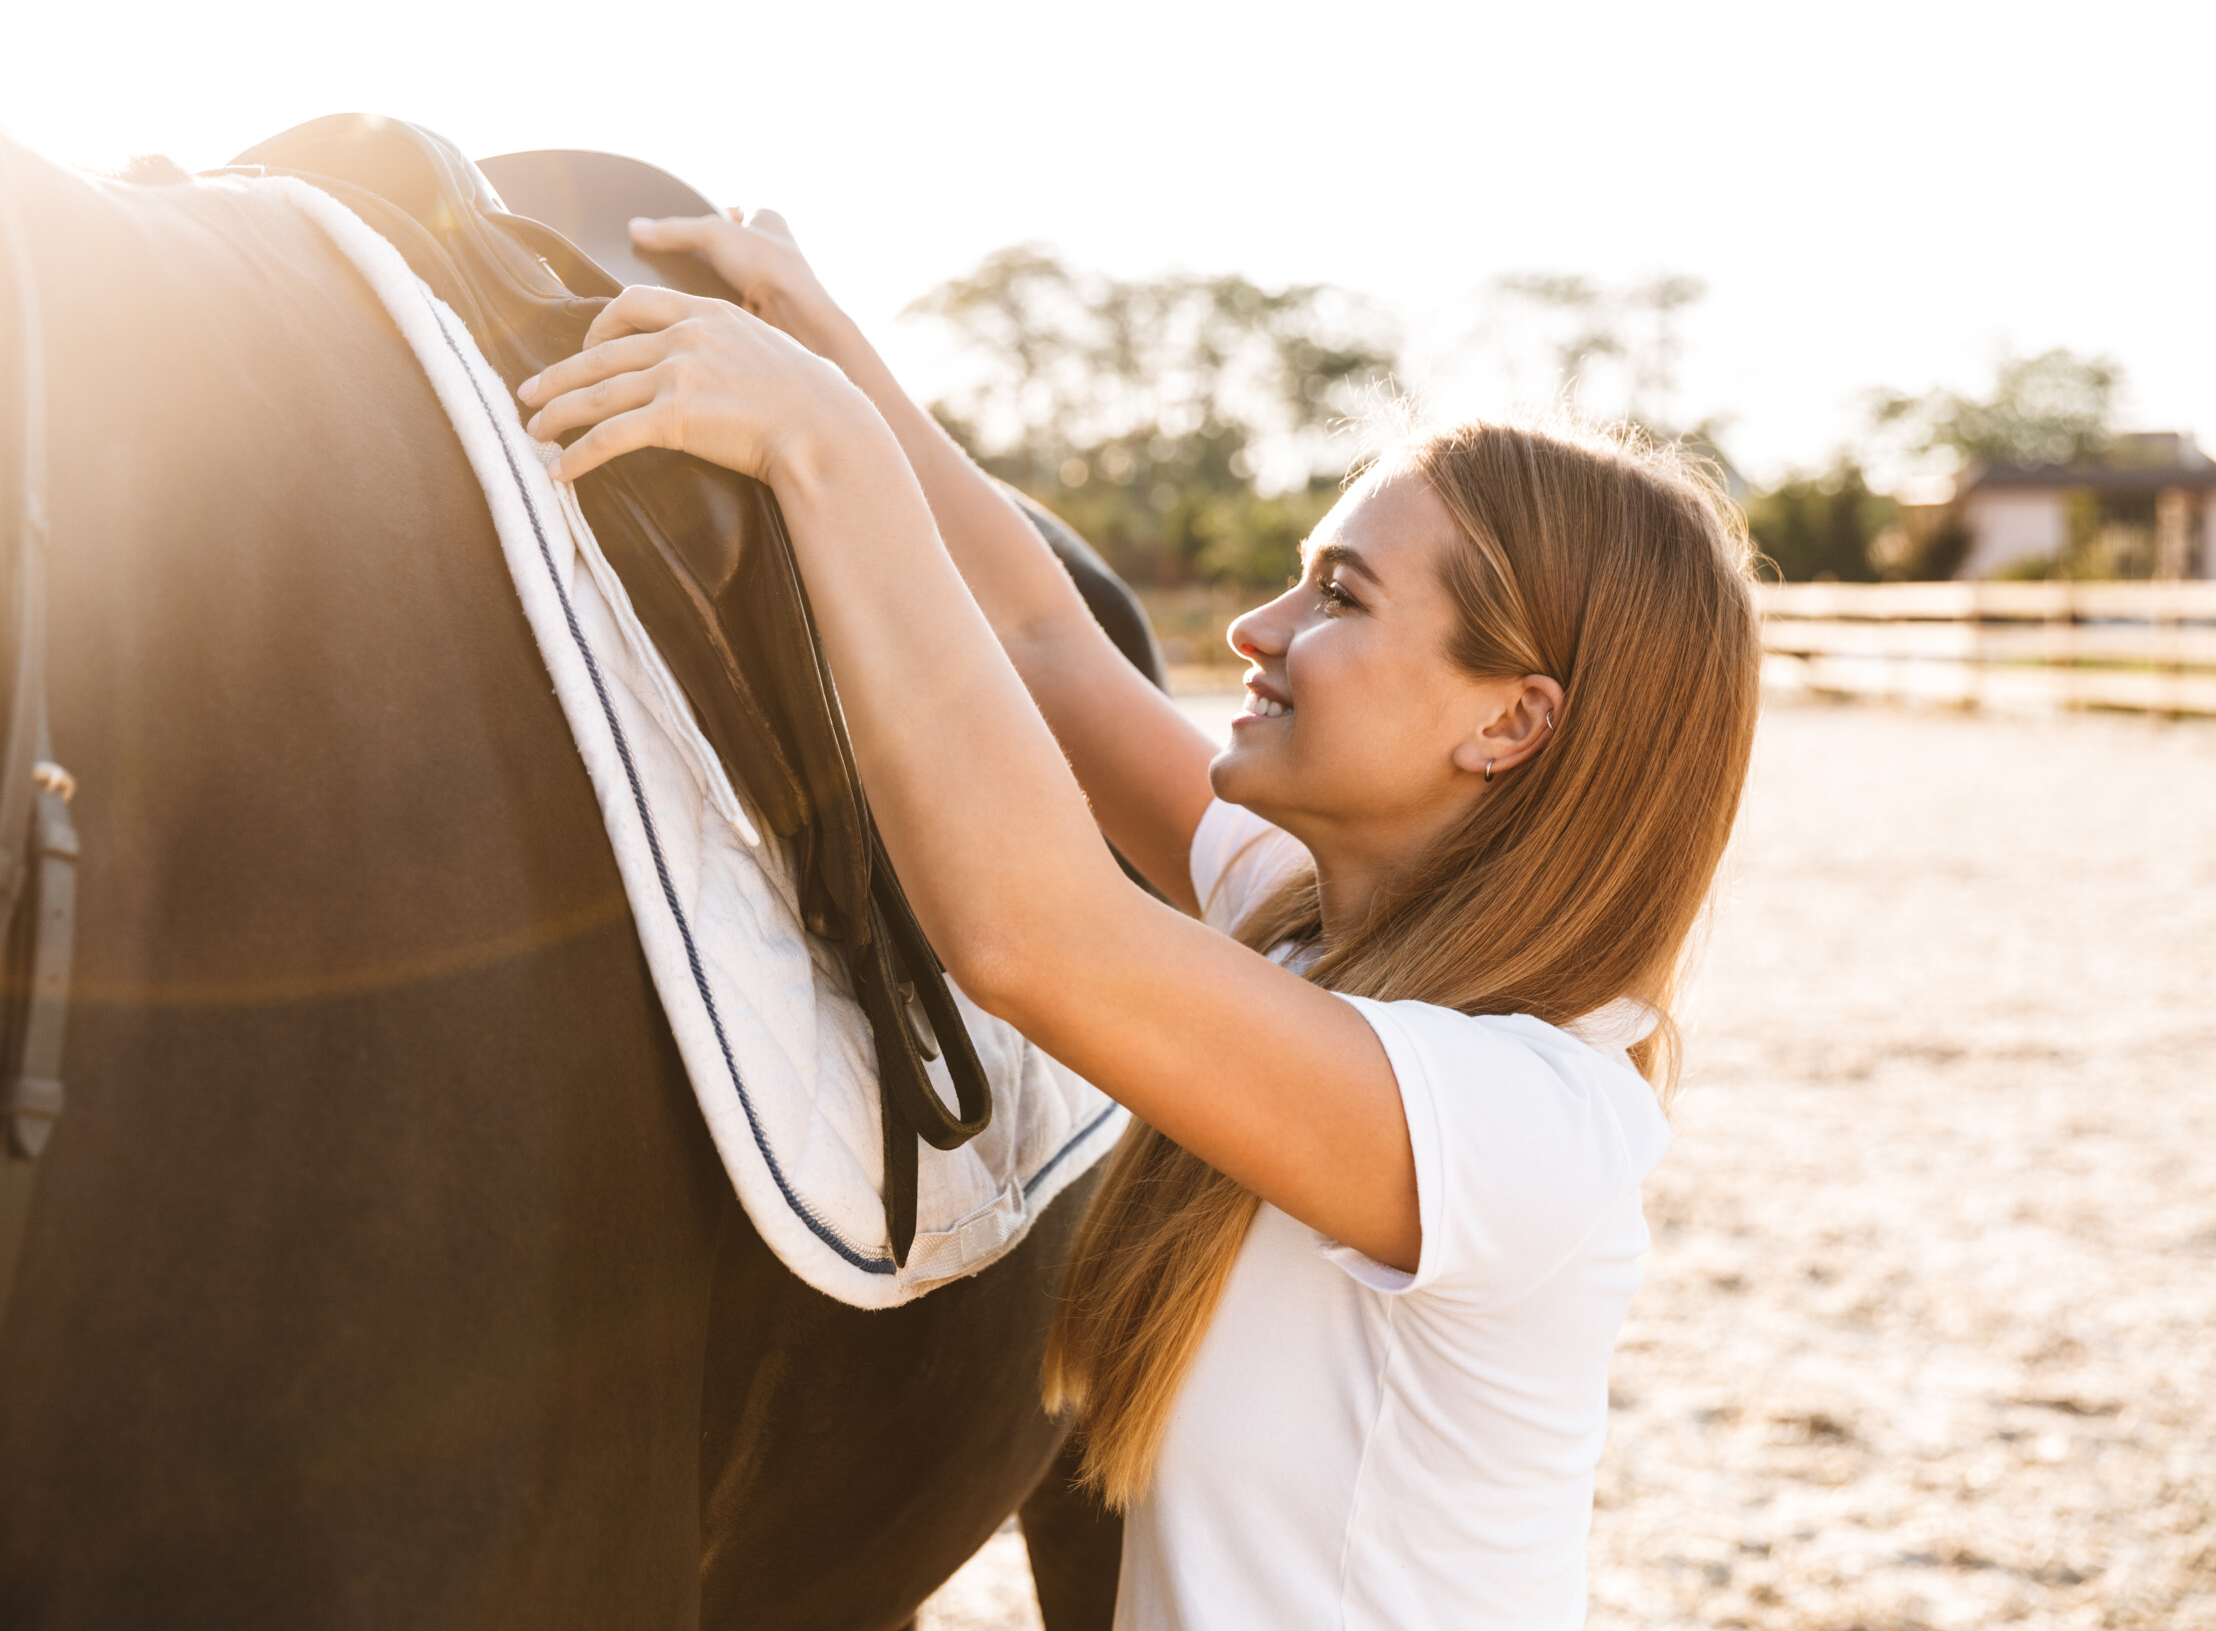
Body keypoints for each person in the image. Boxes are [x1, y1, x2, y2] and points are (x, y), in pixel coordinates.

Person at [514, 210, 1762, 1631]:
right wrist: (830, 350)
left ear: (1511, 722)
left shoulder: (1525, 1120)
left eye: (1339, 596)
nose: (1257, 628)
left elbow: (1032, 935)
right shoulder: (1302, 934)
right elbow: (1045, 639)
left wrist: (821, 450)